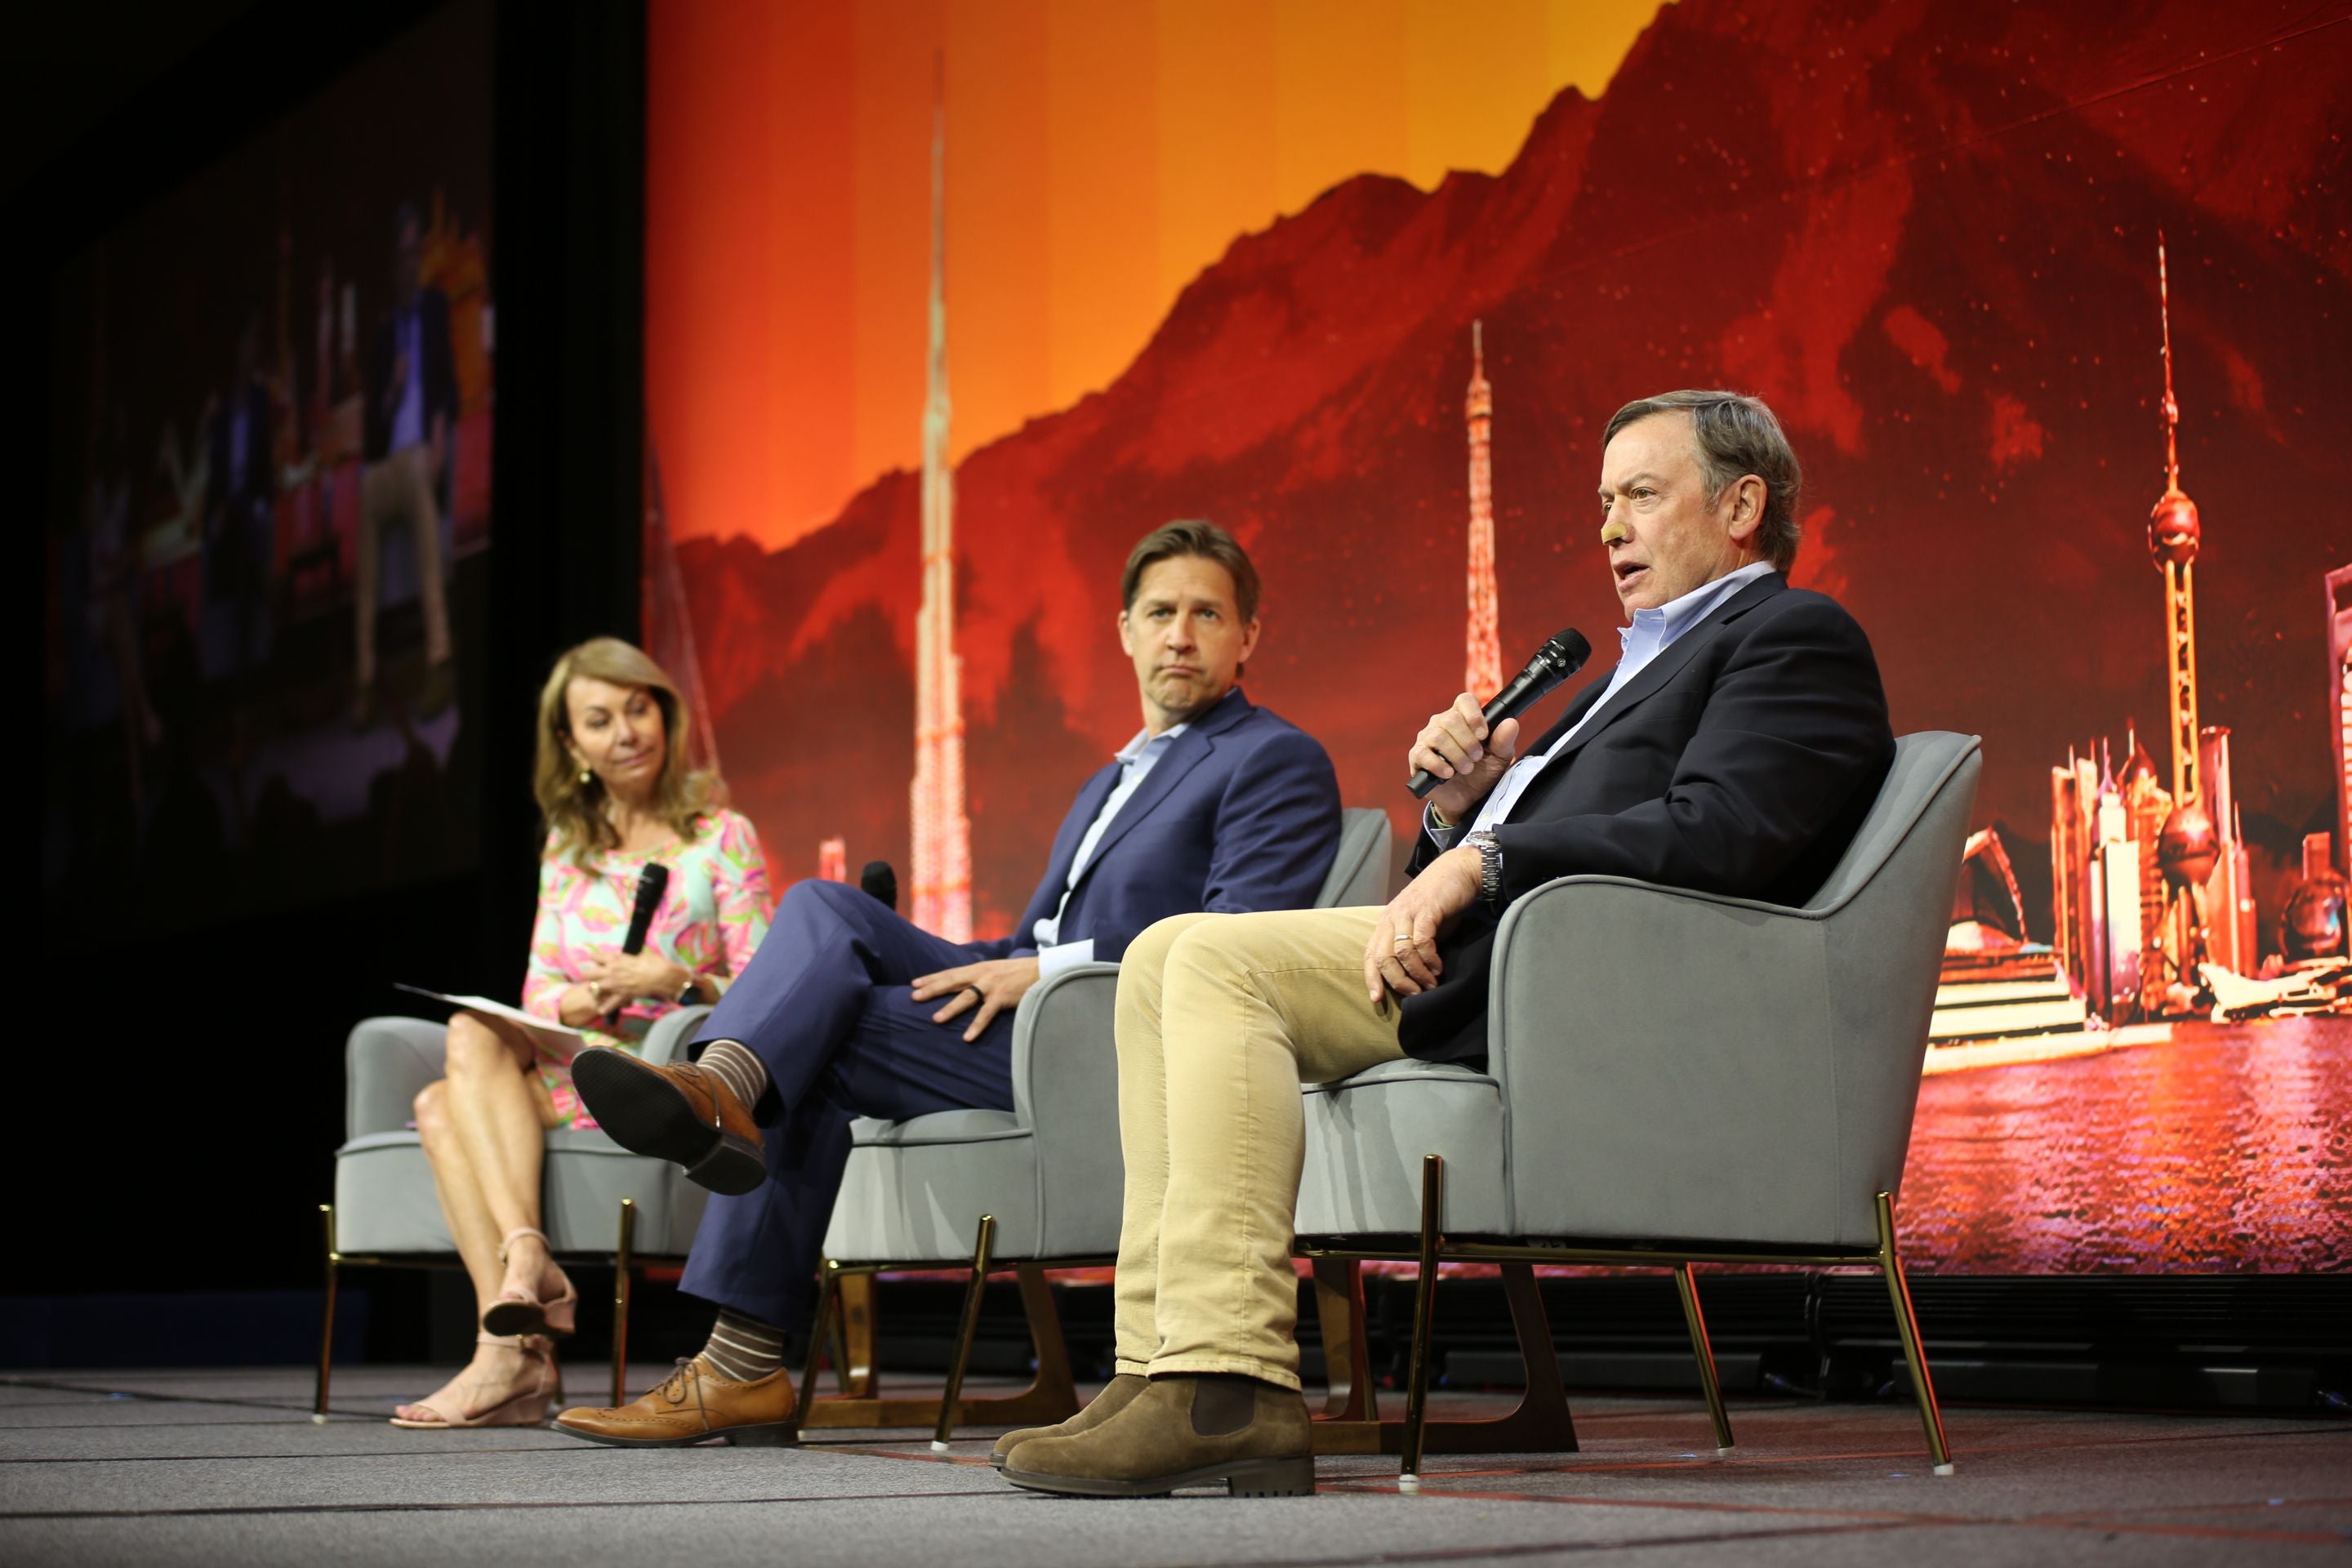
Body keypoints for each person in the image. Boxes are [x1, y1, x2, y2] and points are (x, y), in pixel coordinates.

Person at [997, 390, 1897, 1497]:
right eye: (1604, 502)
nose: (1610, 527)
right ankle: (1157, 1364)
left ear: (1743, 506)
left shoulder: (1792, 636)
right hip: (1495, 952)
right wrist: (1461, 813)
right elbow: (1527, 838)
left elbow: (1720, 835)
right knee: (1166, 954)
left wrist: (1485, 861)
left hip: (1580, 985)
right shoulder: (1630, 667)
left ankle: (1227, 1385)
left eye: (1642, 497)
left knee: (1217, 960)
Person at [551, 521, 1343, 1448]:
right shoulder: (1109, 780)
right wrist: (1005, 959)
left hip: (1106, 1040)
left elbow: (1233, 951)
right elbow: (1026, 937)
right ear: (1124, 629)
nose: (1180, 634)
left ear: (1247, 637)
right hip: (1030, 1009)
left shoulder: (1275, 759)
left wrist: (1040, 969)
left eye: (1207, 614)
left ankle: (738, 1366)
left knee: (820, 1040)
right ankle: (725, 1084)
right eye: (1161, 612)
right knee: (824, 907)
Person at [389, 637, 772, 1430]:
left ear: (664, 715)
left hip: (663, 1082)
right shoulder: (568, 849)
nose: (626, 732)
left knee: (437, 1106)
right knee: (468, 1037)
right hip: (576, 1067)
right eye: (599, 720)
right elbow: (538, 991)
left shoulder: (720, 836)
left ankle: (511, 1354)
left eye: (639, 708)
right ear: (572, 746)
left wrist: (675, 981)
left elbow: (776, 990)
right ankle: (525, 1272)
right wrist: (583, 997)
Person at [354, 201, 458, 727]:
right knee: (364, 526)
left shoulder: (436, 308)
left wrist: (439, 436)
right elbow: (370, 426)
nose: (409, 266)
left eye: (414, 254)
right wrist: (392, 393)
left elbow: (448, 387)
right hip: (386, 463)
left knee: (421, 493)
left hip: (420, 452)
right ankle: (365, 679)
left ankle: (438, 660)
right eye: (401, 257)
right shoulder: (380, 335)